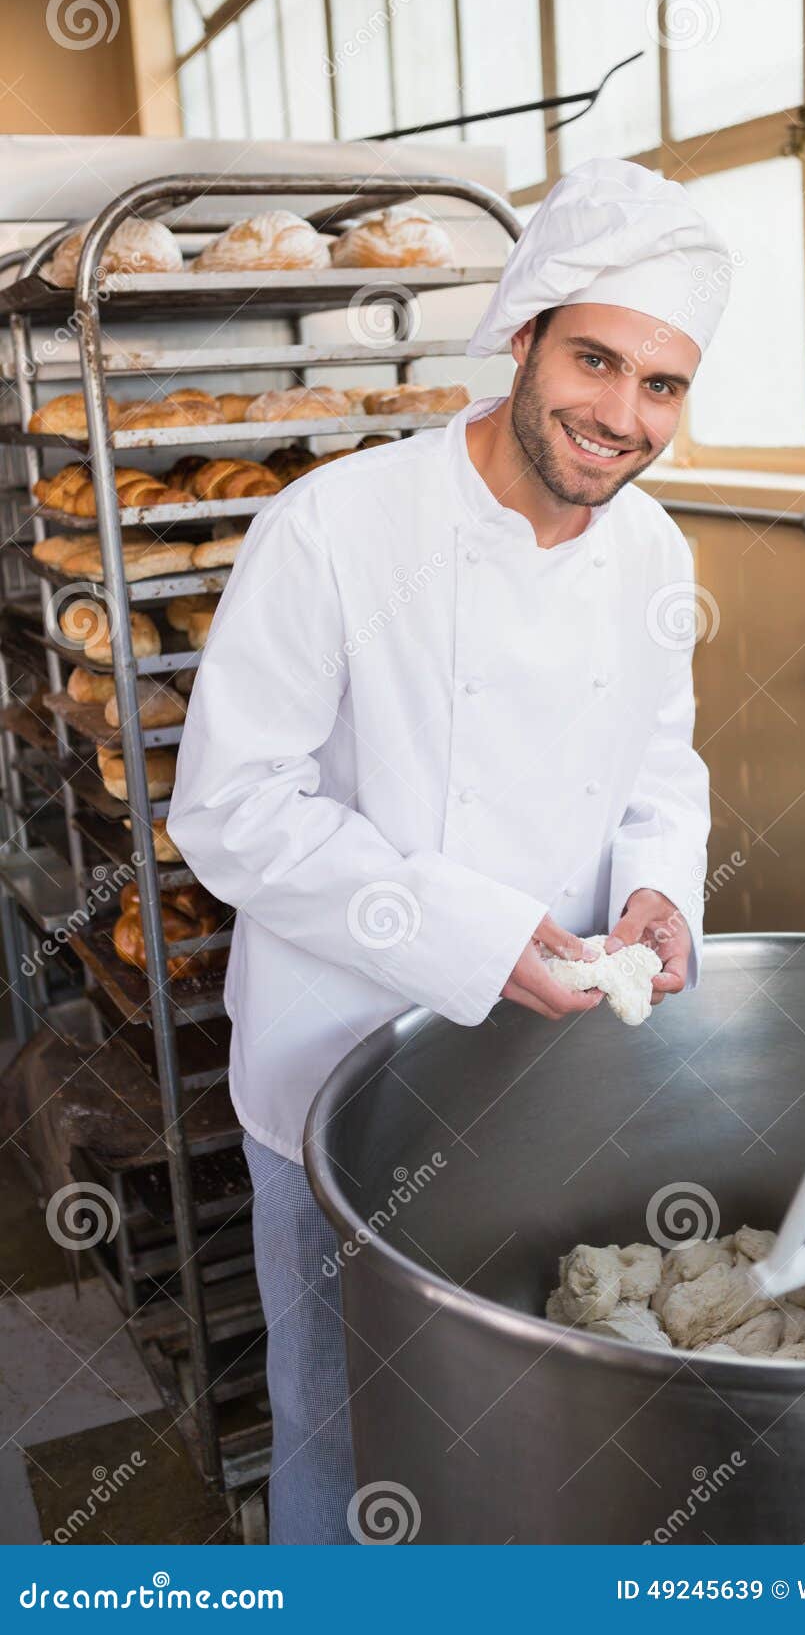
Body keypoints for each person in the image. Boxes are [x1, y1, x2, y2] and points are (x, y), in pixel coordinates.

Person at [166, 157, 732, 1543]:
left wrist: (661, 874)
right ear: (525, 334)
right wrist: (472, 935)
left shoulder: (654, 550)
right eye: (596, 359)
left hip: (550, 1070)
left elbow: (662, 758)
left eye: (662, 384)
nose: (623, 415)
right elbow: (230, 808)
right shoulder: (335, 530)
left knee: (530, 1417)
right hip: (337, 1083)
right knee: (344, 1421)